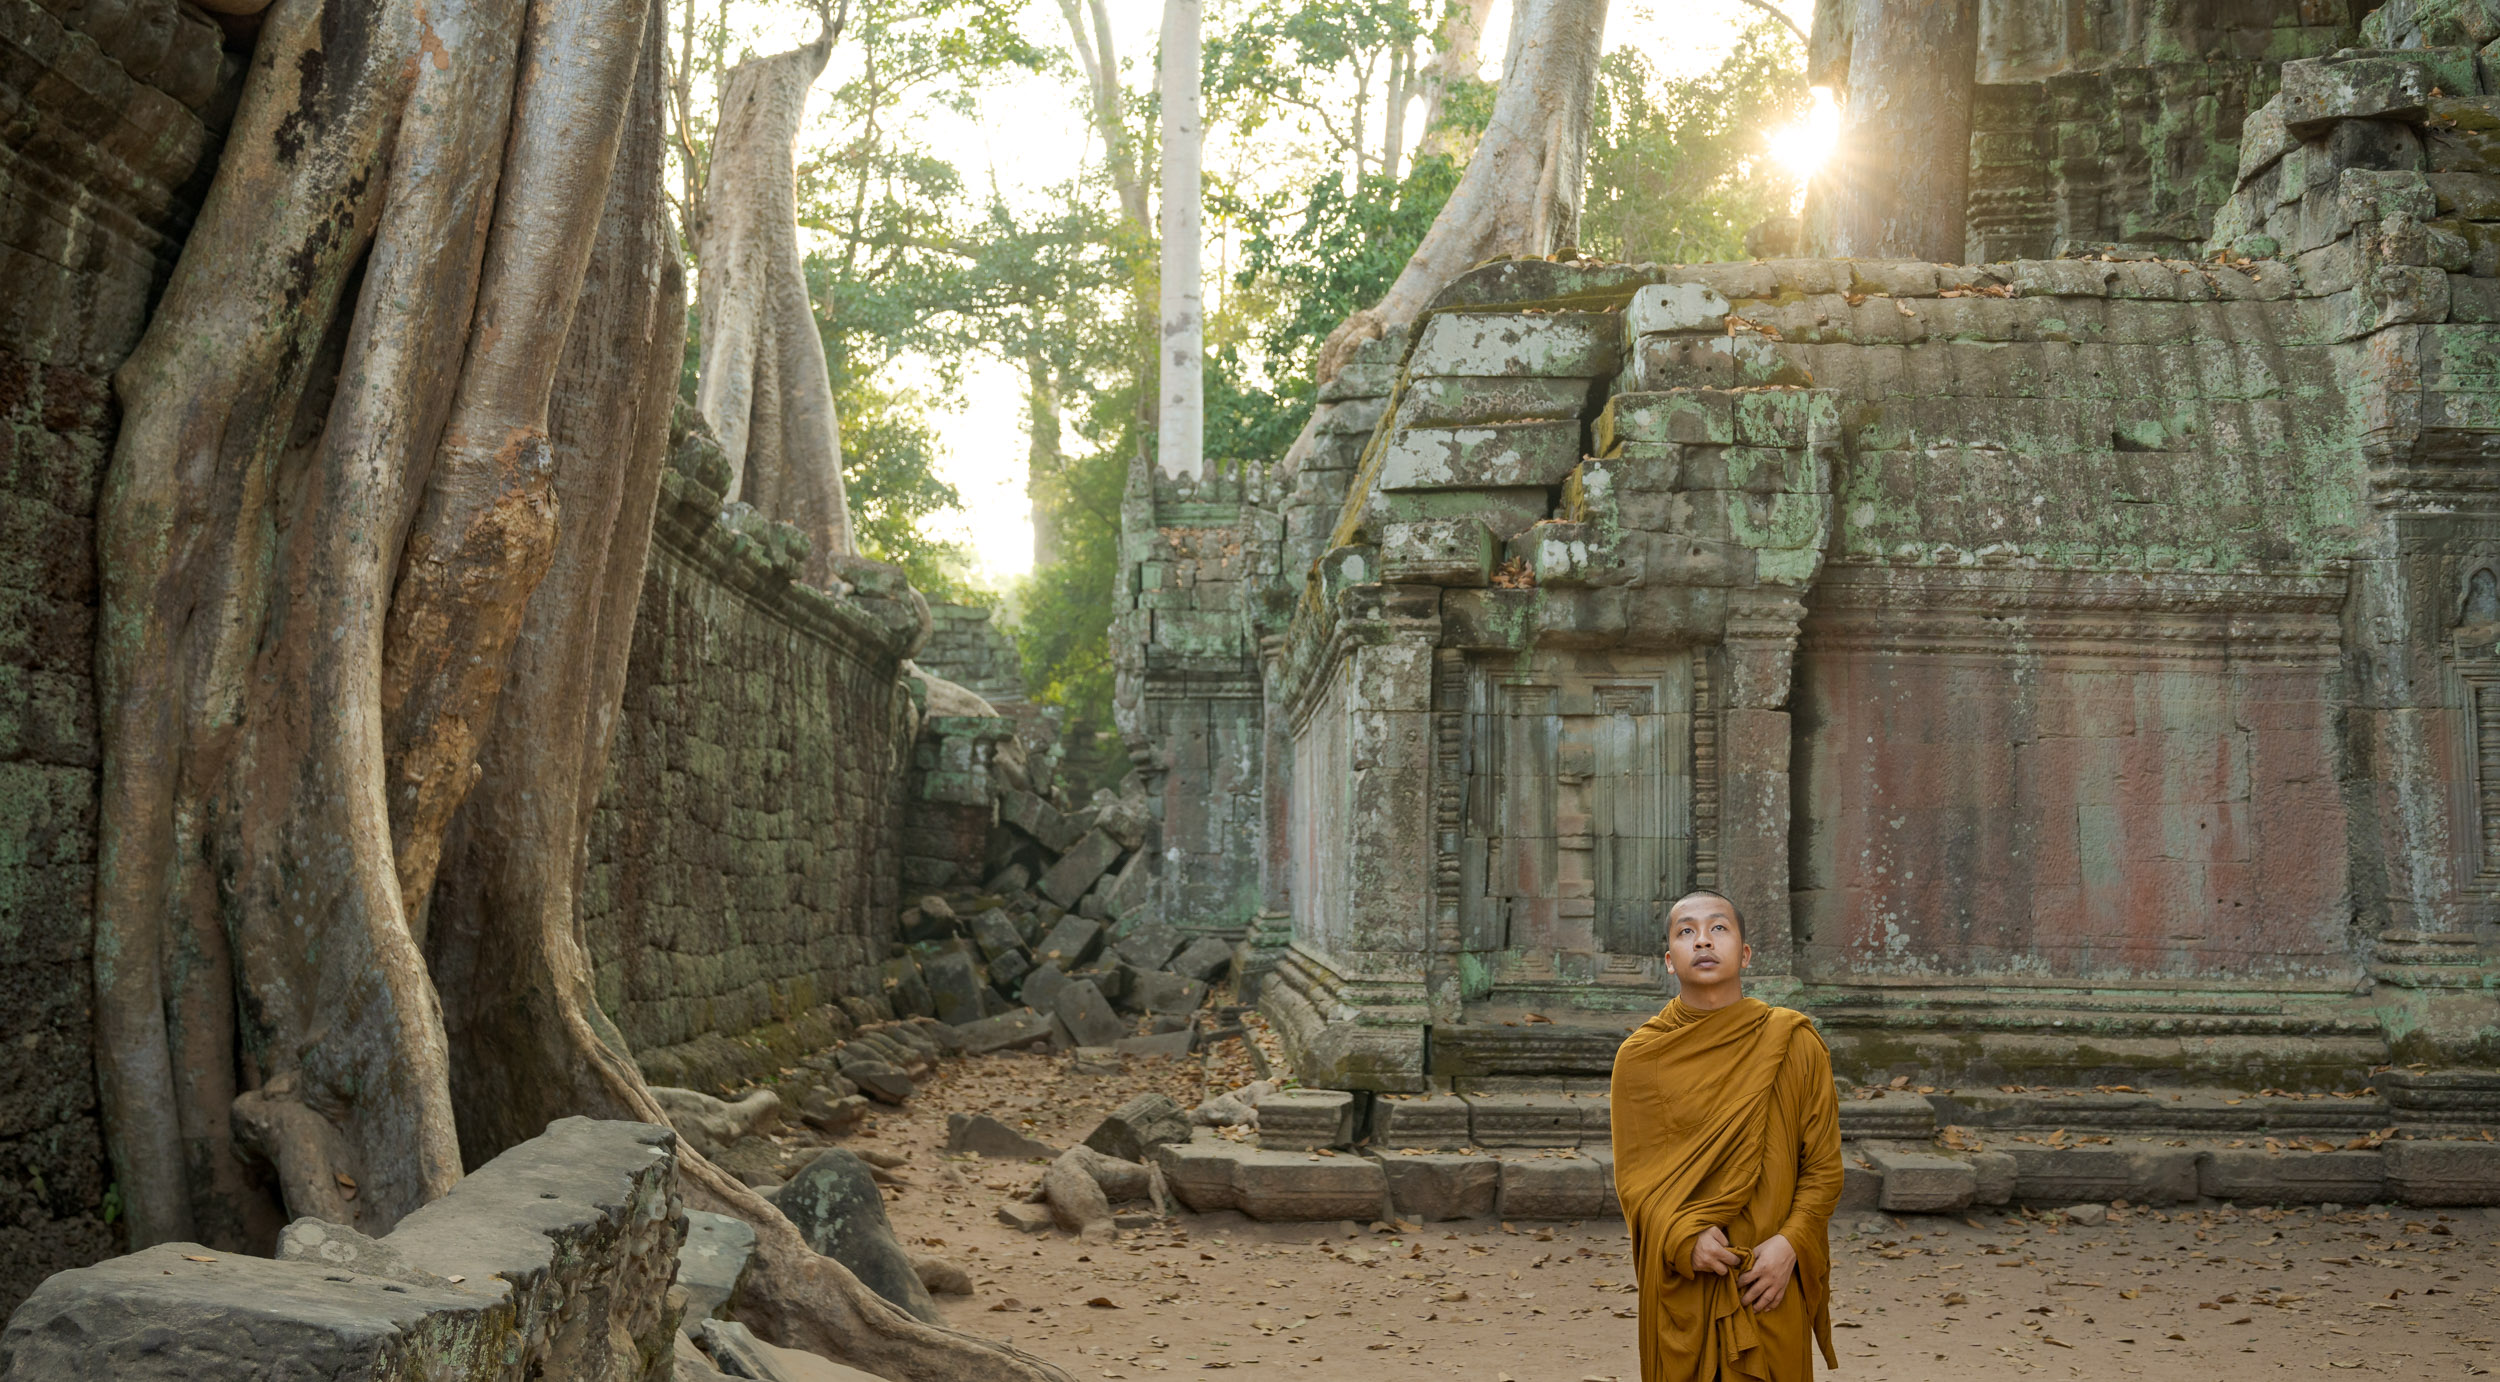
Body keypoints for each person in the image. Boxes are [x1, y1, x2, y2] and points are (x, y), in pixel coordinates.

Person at [1609, 889, 1843, 1381]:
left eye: (1719, 928)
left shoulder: (1793, 1043)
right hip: (1686, 1278)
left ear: (1745, 952)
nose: (1703, 941)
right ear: (1669, 960)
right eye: (1686, 932)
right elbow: (1635, 1183)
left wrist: (1790, 1245)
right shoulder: (1640, 1058)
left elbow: (1822, 1169)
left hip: (1769, 1279)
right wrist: (1680, 1237)